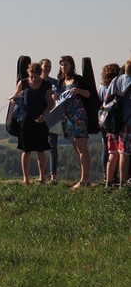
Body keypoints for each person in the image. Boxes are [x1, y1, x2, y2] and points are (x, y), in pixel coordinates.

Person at [9, 62, 53, 185]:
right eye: (31, 76)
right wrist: (13, 99)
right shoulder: (22, 83)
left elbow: (51, 103)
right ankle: (26, 178)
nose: (34, 79)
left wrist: (44, 115)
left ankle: (42, 177)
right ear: (28, 73)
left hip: (41, 120)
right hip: (25, 119)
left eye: (36, 76)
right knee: (26, 150)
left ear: (40, 74)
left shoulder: (46, 84)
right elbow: (15, 97)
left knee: (41, 149)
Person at [57, 55, 91, 189]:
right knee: (76, 148)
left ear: (71, 65)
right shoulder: (61, 81)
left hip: (78, 115)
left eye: (65, 64)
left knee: (82, 148)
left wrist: (78, 91)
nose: (63, 67)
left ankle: (85, 179)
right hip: (67, 117)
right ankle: (82, 177)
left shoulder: (78, 79)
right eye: (61, 64)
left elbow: (89, 94)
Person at [106, 59, 131, 188]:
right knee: (124, 153)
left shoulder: (115, 80)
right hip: (128, 121)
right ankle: (122, 183)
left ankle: (108, 182)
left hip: (113, 121)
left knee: (113, 153)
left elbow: (106, 98)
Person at [98, 63, 121, 185]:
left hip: (103, 119)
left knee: (105, 148)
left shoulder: (102, 87)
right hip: (113, 120)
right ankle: (115, 176)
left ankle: (106, 175)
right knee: (116, 150)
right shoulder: (116, 86)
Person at [40, 58, 60, 183]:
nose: (47, 68)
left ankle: (53, 175)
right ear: (40, 66)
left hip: (52, 116)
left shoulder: (55, 82)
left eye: (49, 66)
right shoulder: (37, 82)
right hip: (40, 115)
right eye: (45, 66)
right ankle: (43, 174)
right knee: (40, 147)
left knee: (53, 146)